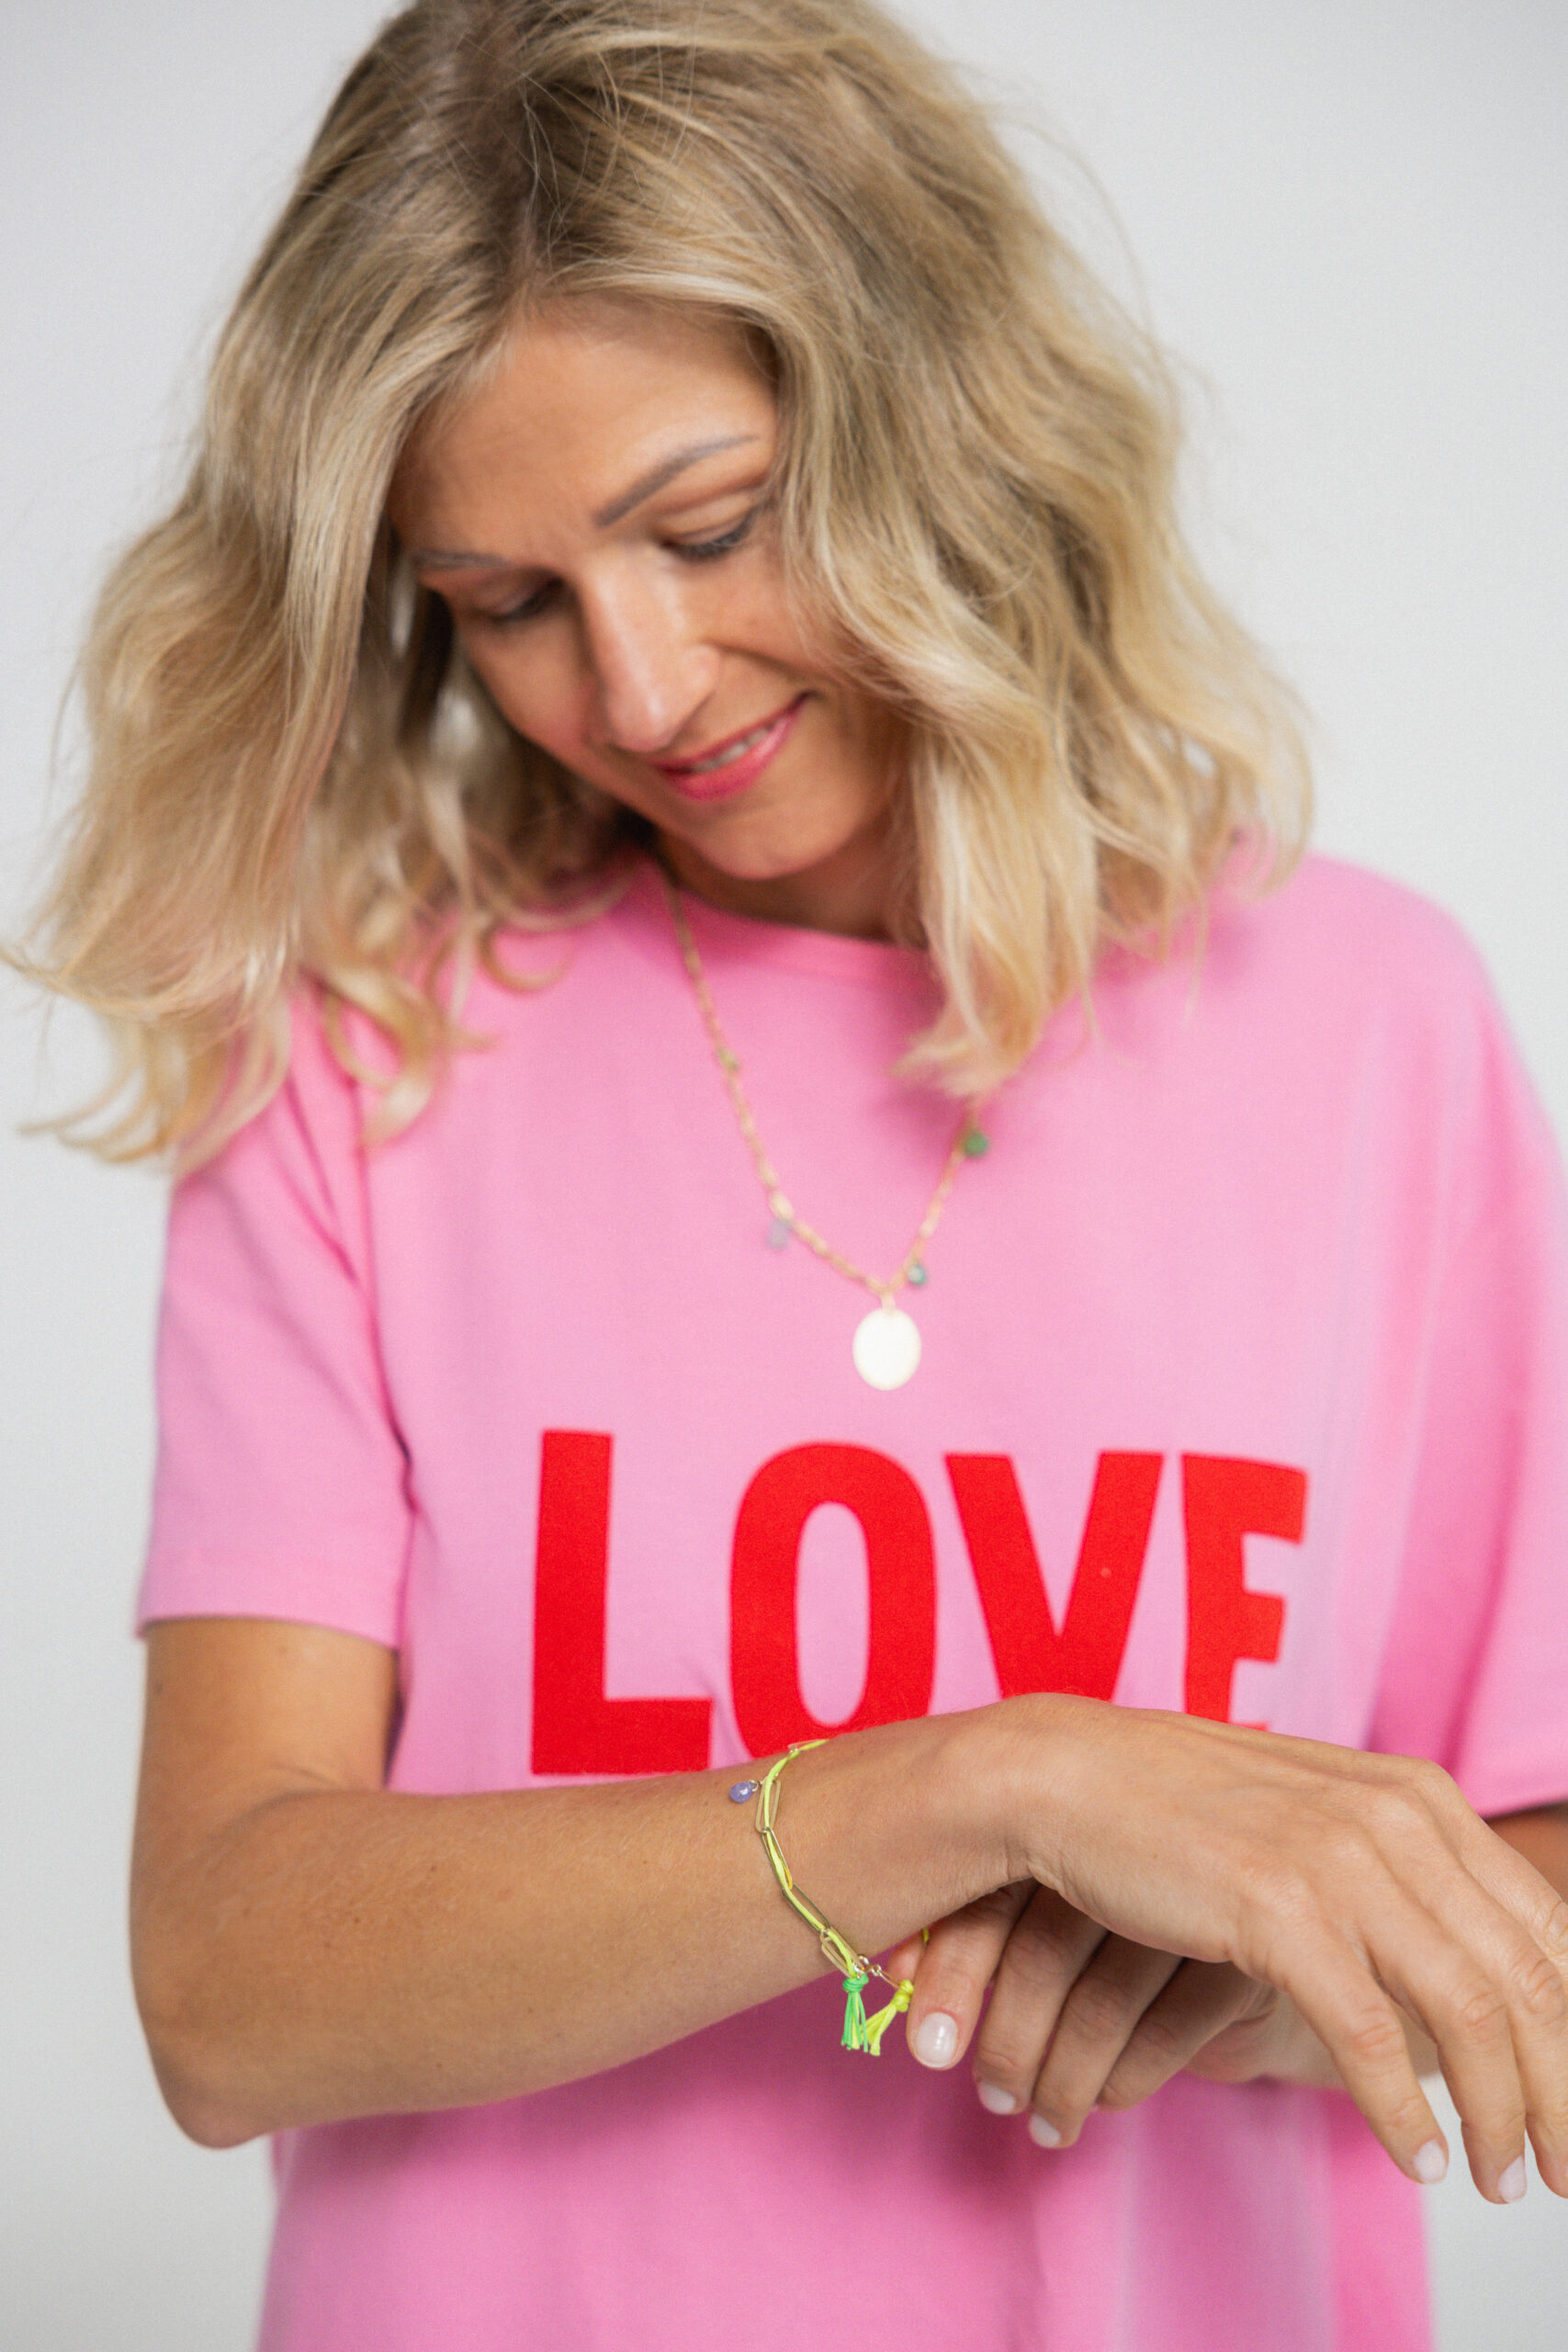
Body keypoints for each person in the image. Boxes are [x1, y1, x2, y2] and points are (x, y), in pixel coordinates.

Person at [19, 2, 1568, 2346]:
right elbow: (230, 1984)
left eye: (706, 525)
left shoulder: (1368, 1030)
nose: (634, 689)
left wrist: (1232, 1968)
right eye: (501, 600)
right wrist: (986, 1783)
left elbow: (1527, 1892)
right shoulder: (362, 1055)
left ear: (930, 408)